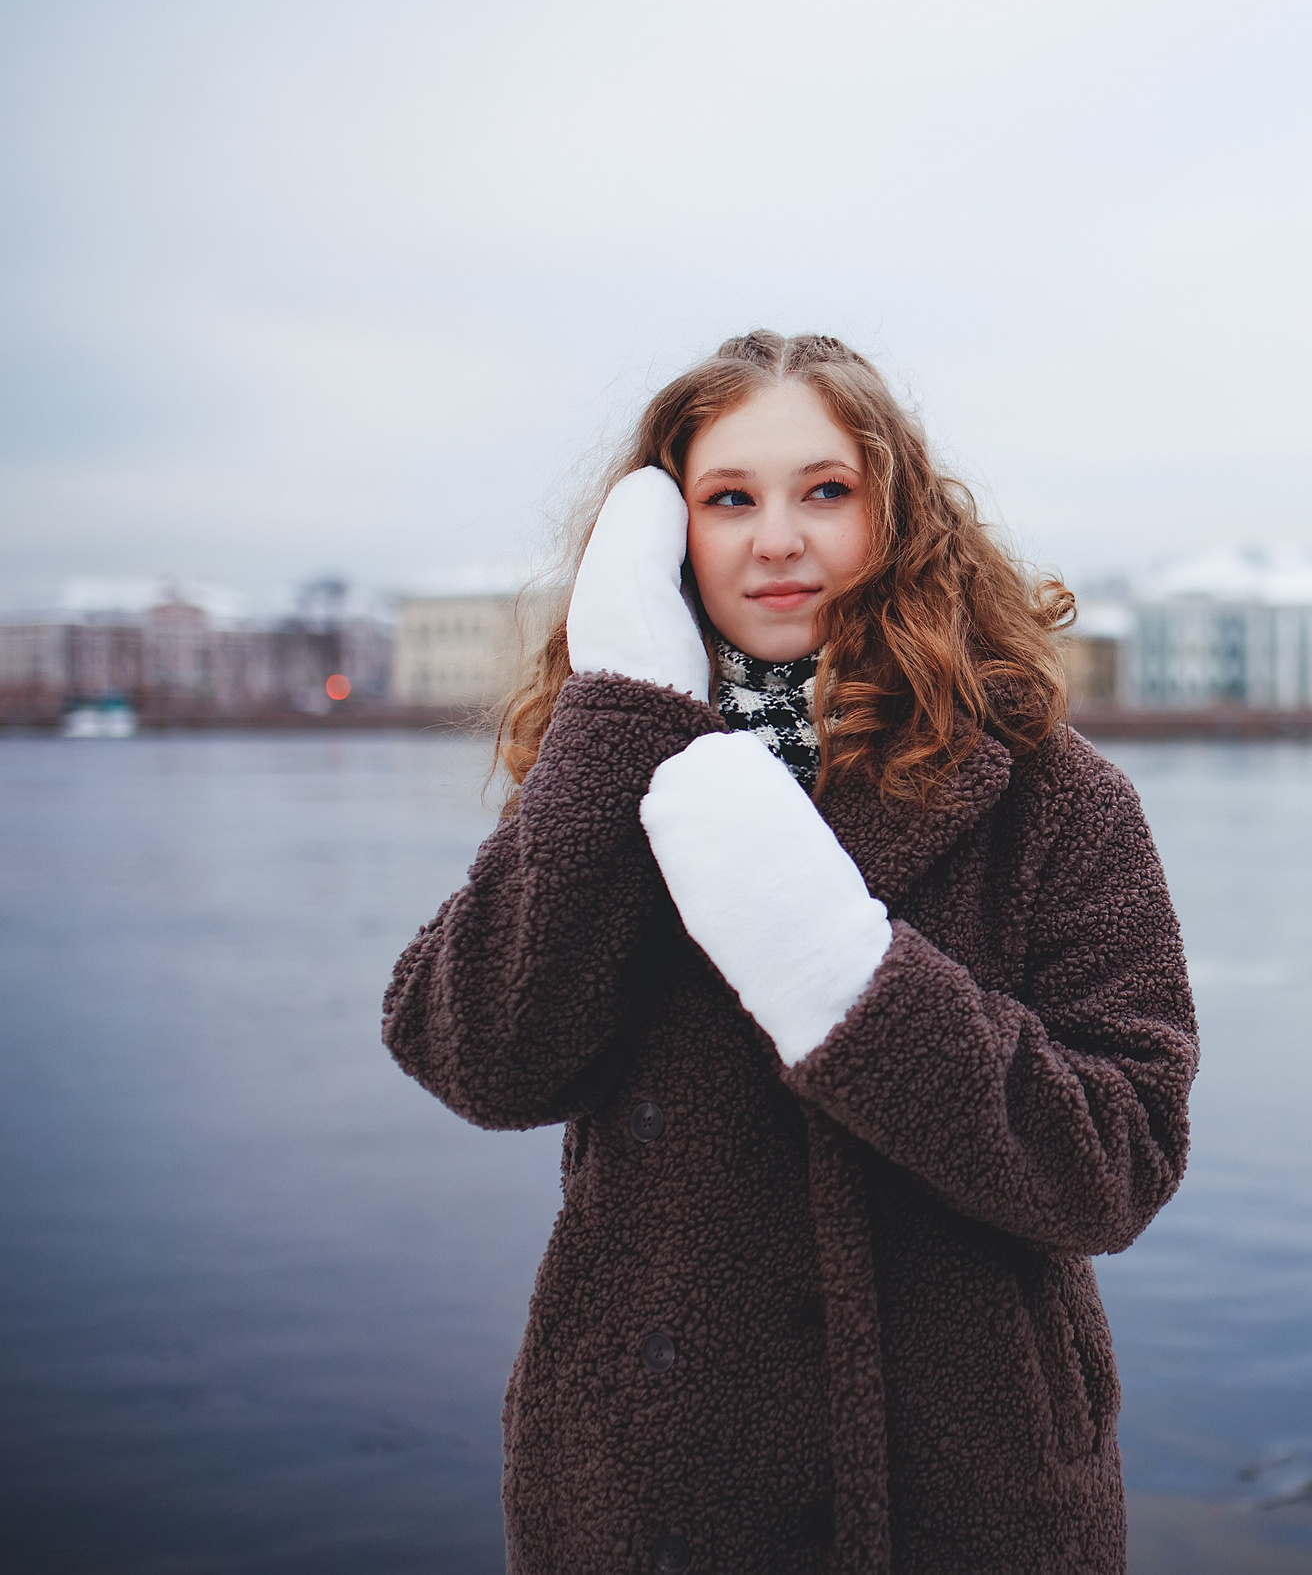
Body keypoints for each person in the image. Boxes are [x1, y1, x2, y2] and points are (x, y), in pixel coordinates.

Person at [383, 331, 1196, 1574]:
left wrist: (841, 976)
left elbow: (1117, 1159)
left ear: (899, 516)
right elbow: (482, 1058)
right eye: (728, 499)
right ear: (666, 540)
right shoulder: (603, 774)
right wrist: (615, 720)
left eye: (826, 490)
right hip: (648, 1480)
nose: (776, 539)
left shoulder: (1051, 796)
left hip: (968, 1486)